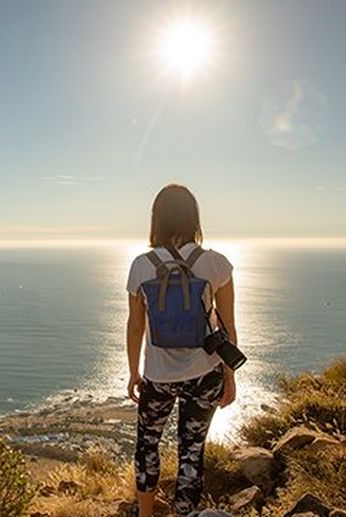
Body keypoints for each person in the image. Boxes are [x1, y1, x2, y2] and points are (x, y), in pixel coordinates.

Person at [125, 184, 237, 516]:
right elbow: (227, 325)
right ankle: (184, 513)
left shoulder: (141, 266)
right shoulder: (216, 263)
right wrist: (229, 376)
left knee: (147, 445)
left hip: (157, 376)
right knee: (191, 451)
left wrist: (134, 373)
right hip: (205, 374)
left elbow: (135, 327)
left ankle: (145, 514)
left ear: (156, 219)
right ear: (194, 218)